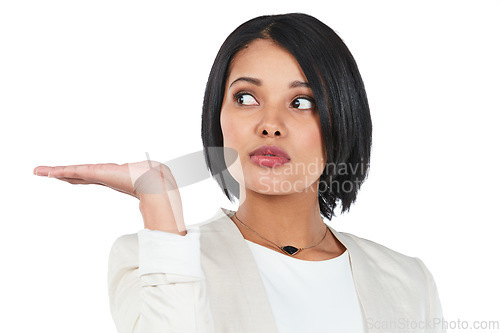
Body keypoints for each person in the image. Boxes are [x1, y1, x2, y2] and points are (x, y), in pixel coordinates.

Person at [33, 13, 445, 333]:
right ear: (219, 116)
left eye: (301, 102)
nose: (269, 124)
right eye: (246, 97)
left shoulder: (408, 280)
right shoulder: (154, 259)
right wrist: (160, 209)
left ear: (343, 118)